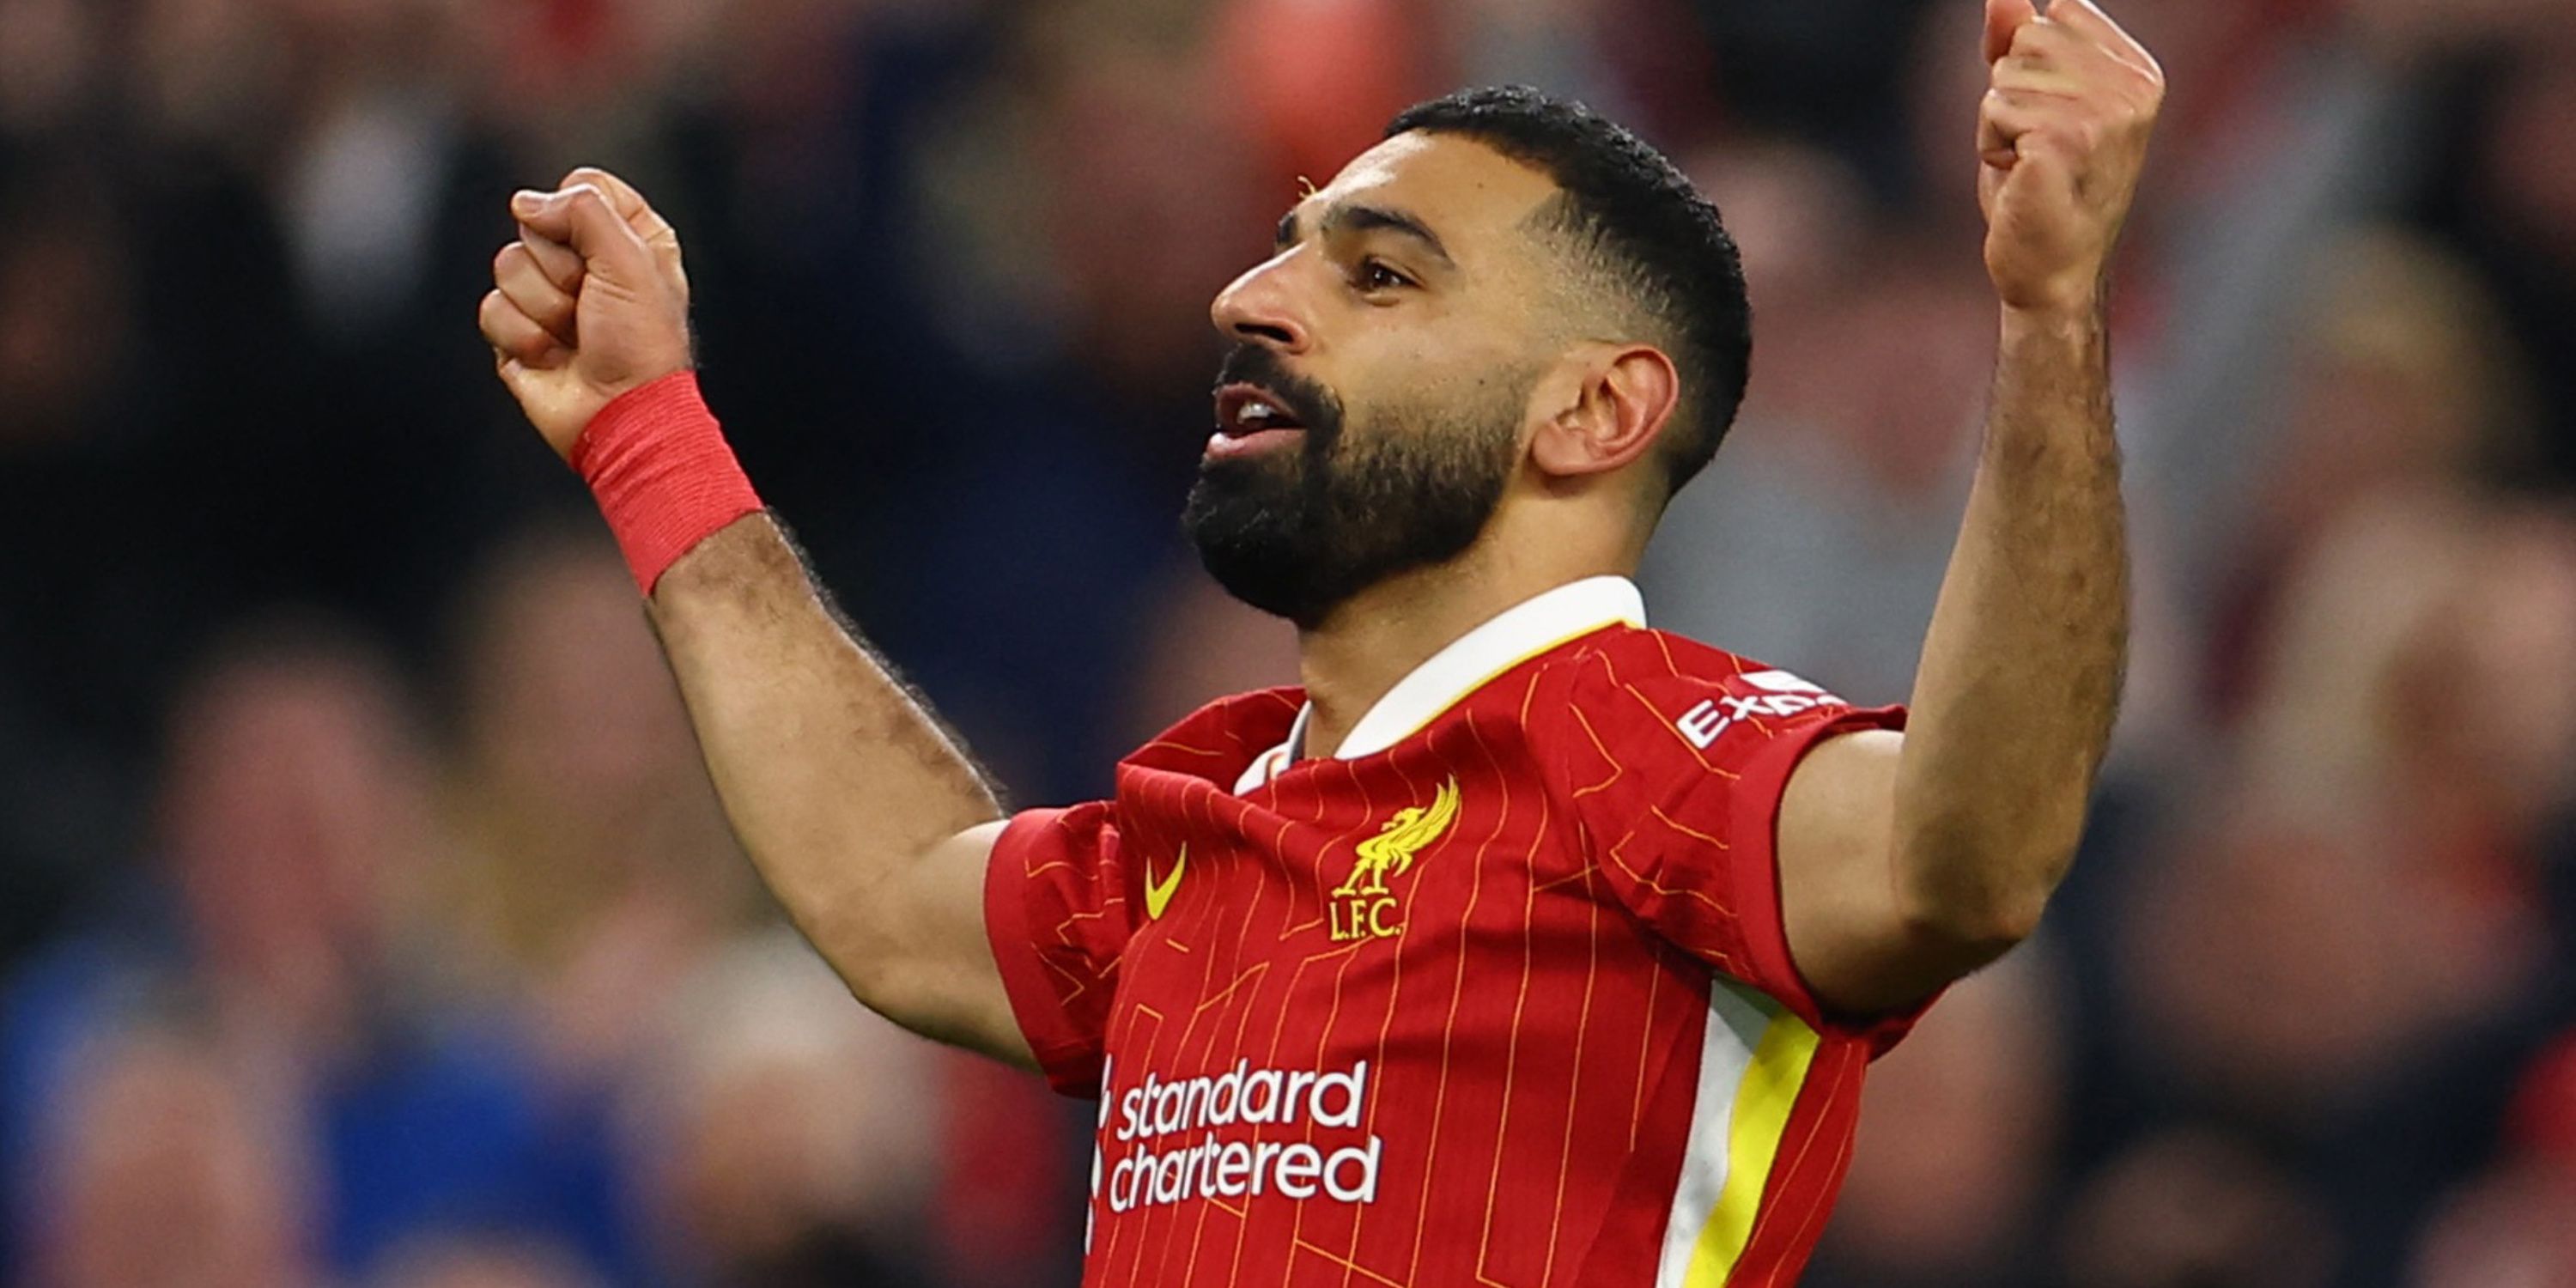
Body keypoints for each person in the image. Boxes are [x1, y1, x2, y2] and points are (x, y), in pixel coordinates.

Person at [473, 0, 2161, 1280]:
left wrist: (2051, 309)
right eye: (1288, 245)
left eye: (1378, 277)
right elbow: (905, 893)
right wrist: (649, 434)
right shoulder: (1204, 832)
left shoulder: (1681, 758)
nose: (1252, 296)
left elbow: (1975, 849)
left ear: (1593, 409)